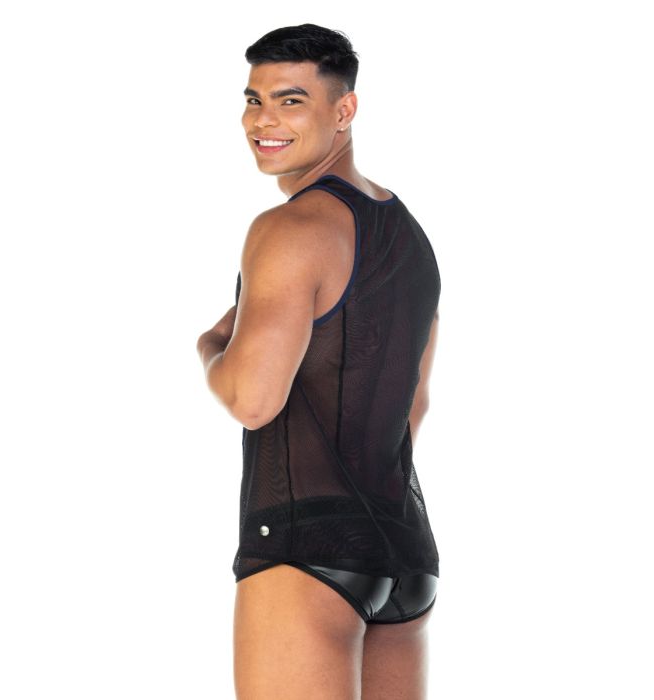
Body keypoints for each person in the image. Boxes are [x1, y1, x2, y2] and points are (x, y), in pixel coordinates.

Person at [196, 23, 442, 699]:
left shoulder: (291, 228)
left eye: (291, 100)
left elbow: (251, 399)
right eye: (254, 99)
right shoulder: (409, 235)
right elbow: (414, 402)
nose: (263, 120)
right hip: (405, 554)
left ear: (344, 110)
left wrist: (211, 346)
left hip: (305, 552)